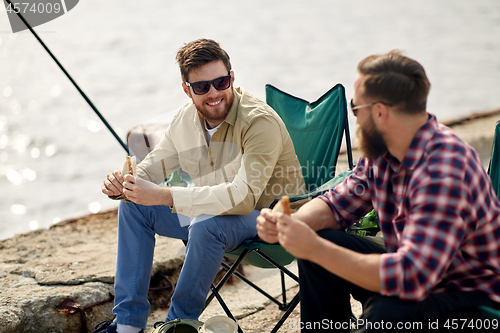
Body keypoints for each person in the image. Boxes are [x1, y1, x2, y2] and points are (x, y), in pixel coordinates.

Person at [257, 50, 500, 332]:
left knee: (386, 312)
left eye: (355, 109)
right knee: (319, 243)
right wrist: (289, 226)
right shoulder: (384, 152)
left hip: (472, 304)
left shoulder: (443, 169)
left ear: (380, 112)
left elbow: (411, 277)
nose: (356, 120)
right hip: (414, 278)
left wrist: (313, 247)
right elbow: (336, 205)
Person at [97, 38, 304, 333]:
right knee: (134, 207)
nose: (214, 93)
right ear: (187, 89)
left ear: (232, 78)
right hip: (213, 217)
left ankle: (179, 324)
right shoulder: (184, 119)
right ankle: (127, 326)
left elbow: (244, 198)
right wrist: (125, 182)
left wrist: (166, 195)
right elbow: (154, 167)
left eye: (221, 82)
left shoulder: (259, 122)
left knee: (207, 225)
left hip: (271, 220)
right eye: (201, 87)